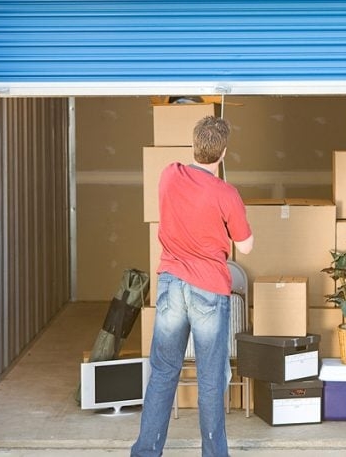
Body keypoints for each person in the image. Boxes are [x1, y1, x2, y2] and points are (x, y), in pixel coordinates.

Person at [132, 115, 253, 457]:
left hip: (171, 285)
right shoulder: (227, 193)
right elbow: (245, 247)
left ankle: (145, 452)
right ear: (224, 153)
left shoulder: (169, 175)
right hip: (209, 291)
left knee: (163, 372)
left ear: (194, 145)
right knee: (211, 378)